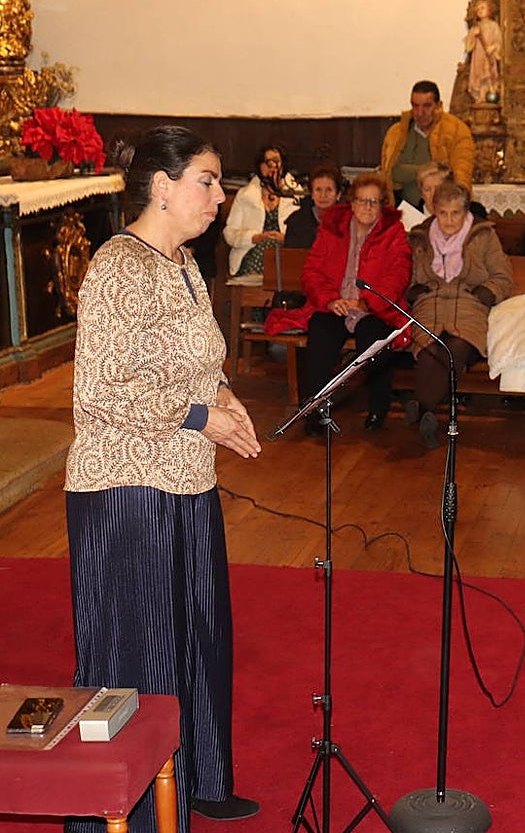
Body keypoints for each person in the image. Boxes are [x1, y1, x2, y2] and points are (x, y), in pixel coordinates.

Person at [66, 126, 261, 831]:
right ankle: (131, 812)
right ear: (161, 187)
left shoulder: (184, 263)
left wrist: (226, 398)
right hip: (125, 488)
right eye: (206, 181)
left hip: (186, 479)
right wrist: (201, 416)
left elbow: (204, 361)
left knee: (198, 635)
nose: (218, 196)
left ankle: (201, 776)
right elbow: (100, 391)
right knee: (140, 649)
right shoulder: (118, 266)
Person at [299, 172, 413, 433]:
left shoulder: (393, 232)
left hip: (375, 309)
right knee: (320, 334)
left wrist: (367, 302)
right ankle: (314, 413)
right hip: (335, 305)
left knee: (376, 340)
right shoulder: (332, 228)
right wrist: (330, 300)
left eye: (374, 202)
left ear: (383, 205)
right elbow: (311, 271)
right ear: (351, 203)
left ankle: (377, 409)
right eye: (362, 200)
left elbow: (399, 275)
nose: (367, 207)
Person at [404, 180, 513, 448]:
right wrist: (413, 290)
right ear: (434, 211)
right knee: (428, 349)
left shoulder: (483, 235)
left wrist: (486, 293)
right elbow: (406, 275)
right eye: (443, 213)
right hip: (430, 304)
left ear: (466, 212)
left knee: (454, 348)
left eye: (456, 213)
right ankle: (426, 413)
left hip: (469, 305)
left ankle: (422, 407)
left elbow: (503, 276)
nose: (449, 220)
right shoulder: (419, 237)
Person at [380, 80, 476, 209]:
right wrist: (430, 171)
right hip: (403, 208)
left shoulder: (456, 131)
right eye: (415, 106)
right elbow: (392, 173)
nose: (420, 113)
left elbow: (461, 176)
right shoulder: (396, 133)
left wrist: (408, 171)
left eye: (426, 106)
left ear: (439, 105)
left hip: (444, 209)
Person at [223, 142, 299, 276]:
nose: (272, 166)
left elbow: (305, 236)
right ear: (260, 166)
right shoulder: (245, 195)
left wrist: (286, 238)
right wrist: (254, 237)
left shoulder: (296, 195)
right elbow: (229, 233)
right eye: (267, 162)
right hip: (252, 253)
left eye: (276, 161)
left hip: (286, 255)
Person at [284, 164, 343, 250]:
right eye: (318, 190)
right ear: (311, 194)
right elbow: (290, 255)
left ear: (338, 195)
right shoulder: (296, 221)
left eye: (329, 190)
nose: (323, 195)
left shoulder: (347, 222)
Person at [465, 0, 502, 103]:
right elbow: (468, 46)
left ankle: (490, 93)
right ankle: (480, 97)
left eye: (483, 8)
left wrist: (493, 47)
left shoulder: (493, 26)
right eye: (478, 9)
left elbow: (499, 42)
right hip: (478, 56)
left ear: (489, 10)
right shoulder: (476, 27)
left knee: (489, 75)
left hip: (489, 56)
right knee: (478, 77)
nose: (480, 11)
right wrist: (473, 35)